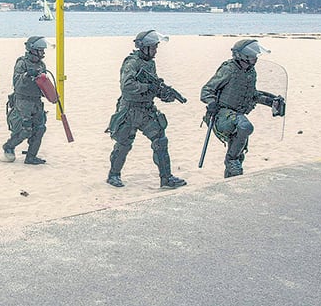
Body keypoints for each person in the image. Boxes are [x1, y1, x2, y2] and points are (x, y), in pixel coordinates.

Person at [105, 30, 187, 189]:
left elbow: (153, 87)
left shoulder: (150, 63)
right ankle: (113, 174)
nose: (156, 50)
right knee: (123, 144)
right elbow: (127, 86)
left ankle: (166, 178)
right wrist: (148, 87)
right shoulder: (132, 63)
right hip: (129, 111)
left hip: (146, 110)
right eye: (153, 47)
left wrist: (163, 94)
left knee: (160, 141)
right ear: (143, 47)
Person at [200, 39, 285, 178]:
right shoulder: (229, 69)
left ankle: (231, 177)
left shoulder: (250, 72)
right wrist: (211, 102)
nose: (256, 58)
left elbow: (252, 95)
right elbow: (206, 90)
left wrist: (270, 102)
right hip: (222, 114)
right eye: (253, 56)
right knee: (245, 126)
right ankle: (231, 160)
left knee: (239, 151)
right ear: (243, 56)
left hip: (237, 114)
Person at [0, 36, 53, 164]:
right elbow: (16, 83)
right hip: (23, 102)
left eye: (43, 50)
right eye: (40, 50)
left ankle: (31, 156)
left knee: (40, 128)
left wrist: (52, 95)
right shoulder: (22, 63)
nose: (43, 53)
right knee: (25, 130)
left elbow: (44, 84)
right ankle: (9, 146)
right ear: (32, 50)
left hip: (36, 101)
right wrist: (26, 75)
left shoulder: (41, 65)